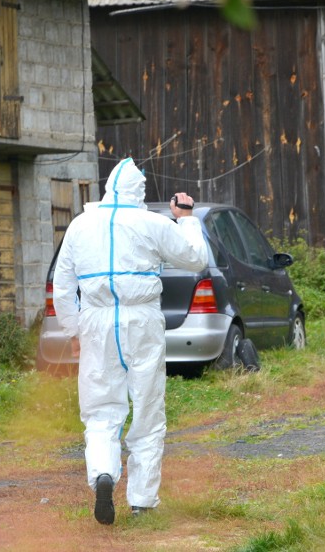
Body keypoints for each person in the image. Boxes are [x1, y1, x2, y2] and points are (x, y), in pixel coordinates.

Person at [52, 157, 208, 525]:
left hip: (95, 322)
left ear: (107, 188)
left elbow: (62, 288)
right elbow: (195, 258)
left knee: (101, 409)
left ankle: (103, 473)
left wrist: (74, 332)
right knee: (148, 409)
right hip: (141, 321)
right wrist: (184, 217)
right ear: (140, 192)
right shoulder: (151, 223)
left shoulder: (80, 225)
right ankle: (141, 501)